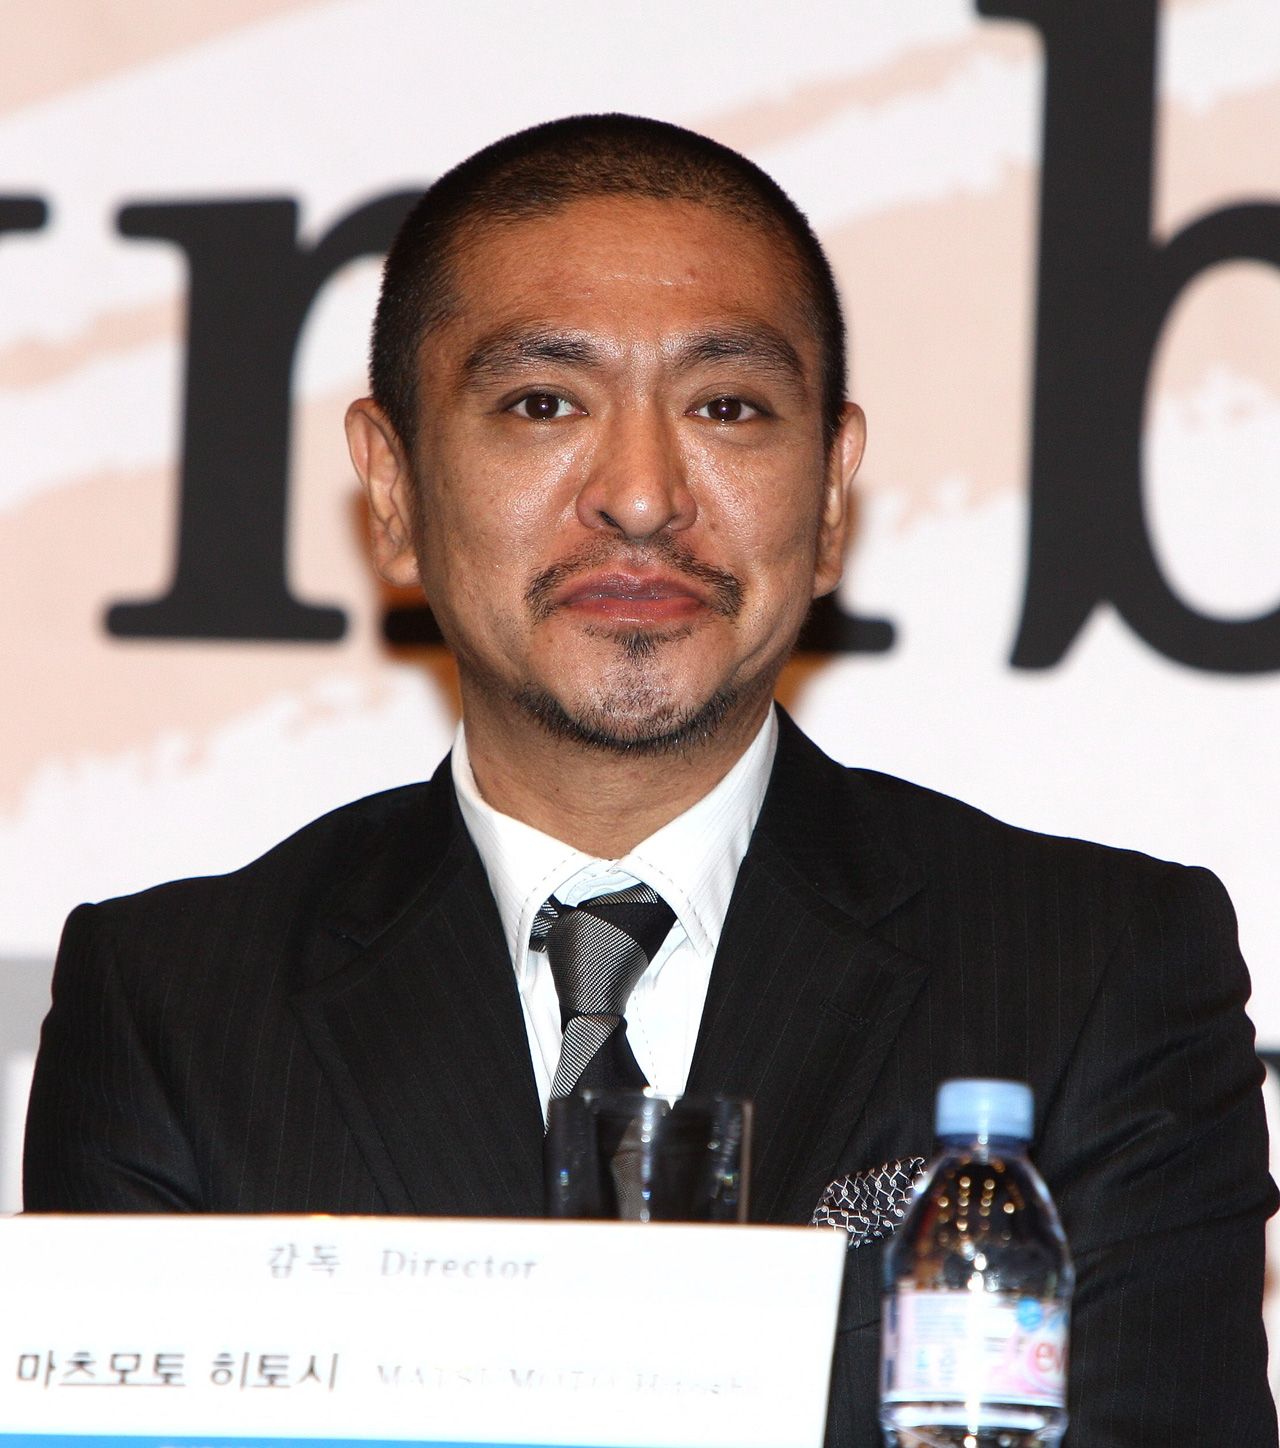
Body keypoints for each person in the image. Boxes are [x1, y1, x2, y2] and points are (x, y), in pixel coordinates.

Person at [23, 114, 1276, 1445]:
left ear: (832, 491)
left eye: (726, 407)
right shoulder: (172, 1007)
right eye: (542, 403)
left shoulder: (1095, 973)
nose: (639, 494)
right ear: (390, 488)